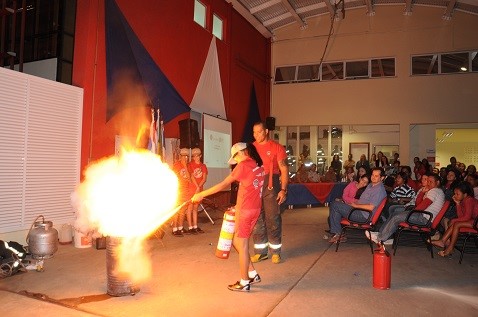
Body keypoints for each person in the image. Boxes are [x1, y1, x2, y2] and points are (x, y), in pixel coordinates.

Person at [191, 142, 264, 292]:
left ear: (241, 153)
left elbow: (223, 184)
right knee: (238, 242)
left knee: (242, 244)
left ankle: (244, 282)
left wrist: (200, 194)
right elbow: (250, 188)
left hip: (246, 211)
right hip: (254, 208)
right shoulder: (256, 164)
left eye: (235, 158)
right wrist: (238, 206)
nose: (235, 161)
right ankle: (252, 273)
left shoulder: (243, 166)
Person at [367, 173, 445, 245]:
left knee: (396, 217)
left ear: (437, 183)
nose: (428, 183)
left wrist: (411, 212)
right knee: (395, 214)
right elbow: (418, 204)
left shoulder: (435, 191)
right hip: (422, 215)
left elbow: (423, 205)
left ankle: (380, 238)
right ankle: (382, 234)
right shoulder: (433, 191)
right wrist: (422, 193)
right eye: (428, 181)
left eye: (431, 182)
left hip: (424, 219)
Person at [251, 122, 289, 264]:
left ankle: (275, 252)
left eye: (259, 132)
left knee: (273, 219)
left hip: (271, 185)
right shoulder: (251, 148)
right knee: (257, 220)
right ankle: (261, 252)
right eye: (254, 132)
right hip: (255, 186)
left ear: (266, 131)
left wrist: (283, 190)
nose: (256, 135)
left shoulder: (277, 147)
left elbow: (284, 170)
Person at [327, 167, 387, 243]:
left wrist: (356, 206)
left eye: (376, 176)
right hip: (358, 210)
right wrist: (350, 204)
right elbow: (361, 199)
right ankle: (337, 234)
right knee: (336, 206)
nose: (373, 177)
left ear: (382, 178)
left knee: (335, 205)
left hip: (364, 215)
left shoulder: (379, 190)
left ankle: (338, 234)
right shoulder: (371, 185)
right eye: (372, 175)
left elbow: (371, 207)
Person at [431, 181, 478, 257]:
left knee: (456, 223)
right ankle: (443, 241)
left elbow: (467, 217)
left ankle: (449, 247)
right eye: (454, 193)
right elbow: (461, 217)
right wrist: (458, 203)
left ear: (465, 194)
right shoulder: (463, 200)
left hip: (476, 222)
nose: (455, 195)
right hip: (474, 221)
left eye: (457, 194)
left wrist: (453, 220)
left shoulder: (469, 200)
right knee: (456, 223)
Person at [186, 148, 208, 234]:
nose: (196, 157)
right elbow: (191, 176)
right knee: (190, 208)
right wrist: (196, 186)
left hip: (199, 189)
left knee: (195, 208)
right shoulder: (190, 164)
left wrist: (199, 187)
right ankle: (190, 227)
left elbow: (204, 178)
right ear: (193, 157)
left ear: (200, 156)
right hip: (192, 189)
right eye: (194, 156)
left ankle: (195, 226)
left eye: (198, 155)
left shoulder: (203, 166)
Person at [172, 148, 192, 237]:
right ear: (180, 156)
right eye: (184, 156)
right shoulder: (176, 165)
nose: (185, 158)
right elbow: (174, 177)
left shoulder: (188, 166)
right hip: (178, 190)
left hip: (186, 190)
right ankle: (174, 229)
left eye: (187, 156)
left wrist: (185, 166)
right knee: (177, 210)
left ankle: (180, 227)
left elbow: (189, 179)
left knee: (183, 210)